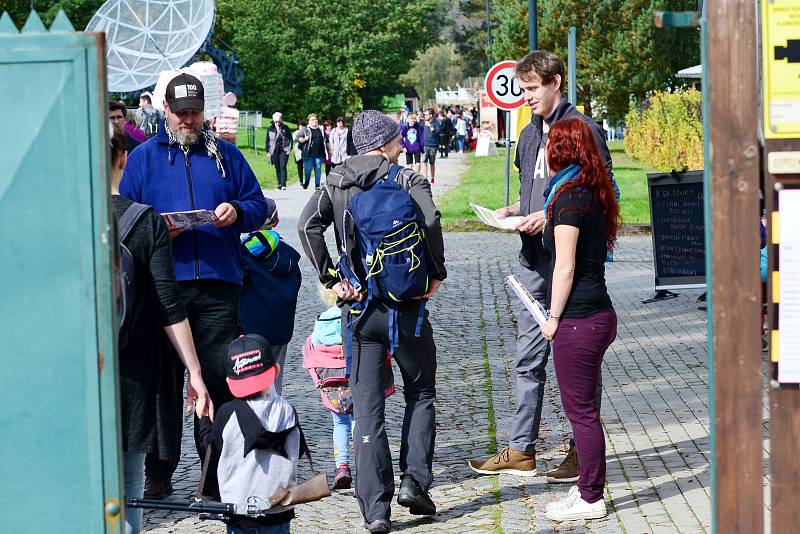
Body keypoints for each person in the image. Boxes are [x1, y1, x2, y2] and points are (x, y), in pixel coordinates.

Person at [120, 72, 272, 499]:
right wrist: (154, 231)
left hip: (218, 287)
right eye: (181, 113)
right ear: (165, 110)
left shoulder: (225, 155)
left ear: (204, 112)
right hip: (160, 285)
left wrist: (237, 211)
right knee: (161, 383)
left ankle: (214, 474)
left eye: (194, 112)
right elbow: (125, 216)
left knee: (218, 381)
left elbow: (259, 205)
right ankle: (158, 472)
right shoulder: (144, 158)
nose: (188, 120)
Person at [468, 50, 616, 484]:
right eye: (523, 88)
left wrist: (550, 218)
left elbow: (597, 196)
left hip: (571, 266)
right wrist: (513, 210)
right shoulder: (529, 133)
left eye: (533, 88)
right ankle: (521, 447)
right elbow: (535, 189)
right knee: (526, 356)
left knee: (578, 361)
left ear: (556, 83)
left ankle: (579, 449)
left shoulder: (584, 130)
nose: (526, 96)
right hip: (533, 259)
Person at [297, 110, 447, 533]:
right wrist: (435, 273)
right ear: (386, 143)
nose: (400, 144)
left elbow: (306, 225)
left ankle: (376, 511)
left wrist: (333, 278)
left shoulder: (335, 180)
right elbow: (431, 222)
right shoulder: (407, 179)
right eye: (397, 139)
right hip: (406, 307)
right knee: (421, 391)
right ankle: (415, 483)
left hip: (360, 311)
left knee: (366, 410)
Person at [108, 128, 213, 534]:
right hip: (133, 366)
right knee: (131, 483)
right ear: (123, 160)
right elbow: (169, 306)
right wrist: (196, 374)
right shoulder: (143, 221)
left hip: (73, 370)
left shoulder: (60, 217)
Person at [539, 118, 619, 520]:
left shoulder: (570, 200)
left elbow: (565, 268)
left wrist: (552, 318)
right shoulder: (589, 192)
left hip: (580, 320)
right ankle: (586, 487)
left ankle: (591, 498)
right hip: (596, 313)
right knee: (584, 409)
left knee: (582, 413)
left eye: (550, 145)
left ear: (561, 151)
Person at [199, 334, 302, 534]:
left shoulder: (227, 413)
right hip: (279, 511)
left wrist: (203, 419)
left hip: (239, 514)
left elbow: (210, 449)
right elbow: (295, 452)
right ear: (276, 371)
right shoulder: (288, 410)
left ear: (230, 382)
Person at [301, 287, 396, 491]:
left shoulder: (323, 320)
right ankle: (363, 465)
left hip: (332, 384)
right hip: (358, 378)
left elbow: (311, 348)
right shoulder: (361, 315)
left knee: (340, 423)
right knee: (359, 421)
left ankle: (341, 466)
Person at [240, 228, 302, 395]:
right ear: (276, 222)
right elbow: (296, 285)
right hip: (281, 331)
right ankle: (275, 416)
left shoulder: (244, 253)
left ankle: (252, 419)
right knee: (275, 381)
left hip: (251, 330)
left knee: (250, 383)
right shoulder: (288, 255)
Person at [298, 113, 326, 190]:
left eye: (315, 119)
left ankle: (317, 185)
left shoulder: (321, 129)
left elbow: (325, 140)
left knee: (318, 169)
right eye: (312, 120)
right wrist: (304, 139)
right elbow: (298, 137)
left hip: (319, 153)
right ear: (309, 121)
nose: (314, 121)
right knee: (308, 169)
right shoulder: (305, 129)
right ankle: (306, 182)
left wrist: (329, 150)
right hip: (308, 154)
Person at [267, 112, 293, 190]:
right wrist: (268, 151)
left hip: (284, 150)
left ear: (281, 120)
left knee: (283, 166)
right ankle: (279, 184)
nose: (277, 123)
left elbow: (290, 139)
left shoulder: (285, 128)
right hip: (274, 151)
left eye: (279, 121)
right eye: (276, 121)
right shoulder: (270, 129)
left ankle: (283, 184)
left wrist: (289, 149)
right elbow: (267, 140)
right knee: (277, 168)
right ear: (273, 121)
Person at [421, 109, 440, 184]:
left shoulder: (436, 123)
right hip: (425, 145)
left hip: (433, 145)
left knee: (432, 162)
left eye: (426, 114)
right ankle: (425, 178)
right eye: (424, 115)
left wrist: (430, 126)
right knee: (424, 161)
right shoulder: (423, 122)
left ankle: (432, 178)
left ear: (431, 115)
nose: (424, 116)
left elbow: (437, 132)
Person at [293, 120, 306, 185]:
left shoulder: (307, 132)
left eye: (302, 126)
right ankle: (301, 180)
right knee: (299, 167)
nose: (301, 128)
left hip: (306, 152)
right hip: (298, 152)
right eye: (300, 126)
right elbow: (293, 140)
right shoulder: (296, 133)